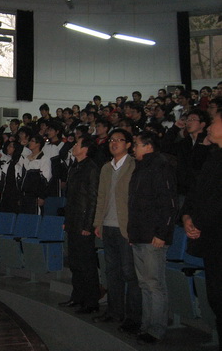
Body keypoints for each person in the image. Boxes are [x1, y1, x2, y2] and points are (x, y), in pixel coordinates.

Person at [128, 131, 178, 345]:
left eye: (137, 144)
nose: (133, 148)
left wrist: (161, 233)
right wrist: (132, 232)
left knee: (154, 284)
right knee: (144, 284)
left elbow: (169, 203)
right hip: (140, 234)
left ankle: (156, 329)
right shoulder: (141, 167)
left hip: (153, 236)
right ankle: (146, 325)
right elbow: (134, 205)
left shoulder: (160, 166)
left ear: (149, 146)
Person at [93, 129, 142, 333]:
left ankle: (133, 317)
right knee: (112, 271)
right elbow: (101, 197)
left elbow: (137, 200)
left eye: (119, 140)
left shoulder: (135, 166)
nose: (114, 143)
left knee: (130, 273)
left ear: (128, 144)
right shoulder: (106, 168)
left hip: (126, 227)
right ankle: (114, 311)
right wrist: (98, 222)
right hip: (108, 226)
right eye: (111, 140)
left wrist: (135, 228)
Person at [181, 107, 222, 348]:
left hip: (215, 234)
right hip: (211, 241)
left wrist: (199, 223)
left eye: (214, 121)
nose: (209, 127)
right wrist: (187, 216)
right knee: (216, 297)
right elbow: (196, 192)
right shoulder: (213, 157)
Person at [59, 134, 100, 314]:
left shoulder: (91, 168)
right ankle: (77, 296)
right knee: (75, 262)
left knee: (86, 263)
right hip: (73, 221)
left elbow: (93, 199)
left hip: (83, 223)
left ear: (85, 149)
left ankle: (91, 301)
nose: (74, 146)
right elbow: (71, 198)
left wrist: (88, 225)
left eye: (77, 144)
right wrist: (67, 220)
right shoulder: (74, 167)